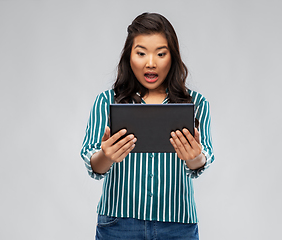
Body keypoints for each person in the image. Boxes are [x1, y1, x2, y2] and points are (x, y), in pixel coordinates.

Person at [81, 12, 215, 240]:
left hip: (178, 224)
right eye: (141, 53)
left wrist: (194, 157)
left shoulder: (196, 104)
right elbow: (93, 164)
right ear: (129, 56)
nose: (150, 63)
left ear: (172, 57)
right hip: (119, 223)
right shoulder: (106, 101)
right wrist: (107, 155)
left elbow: (204, 159)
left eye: (160, 54)